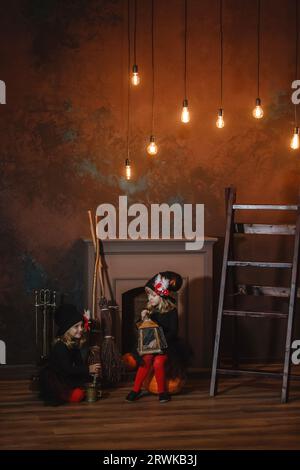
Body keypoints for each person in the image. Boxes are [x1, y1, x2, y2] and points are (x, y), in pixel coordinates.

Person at [126, 271, 188, 403]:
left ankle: (162, 392)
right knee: (146, 359)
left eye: (153, 295)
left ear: (162, 295)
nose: (150, 299)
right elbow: (141, 329)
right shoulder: (150, 310)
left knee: (158, 362)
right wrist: (142, 319)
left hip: (166, 345)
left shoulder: (171, 311)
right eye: (148, 295)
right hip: (150, 345)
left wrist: (159, 342)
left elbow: (173, 332)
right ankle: (135, 390)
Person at [39, 303, 101, 405]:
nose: (81, 329)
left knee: (91, 382)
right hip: (58, 377)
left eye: (81, 325)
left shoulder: (74, 343)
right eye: (76, 327)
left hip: (67, 375)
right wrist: (88, 369)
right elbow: (67, 369)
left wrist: (90, 373)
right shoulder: (60, 346)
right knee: (77, 395)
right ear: (67, 330)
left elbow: (79, 364)